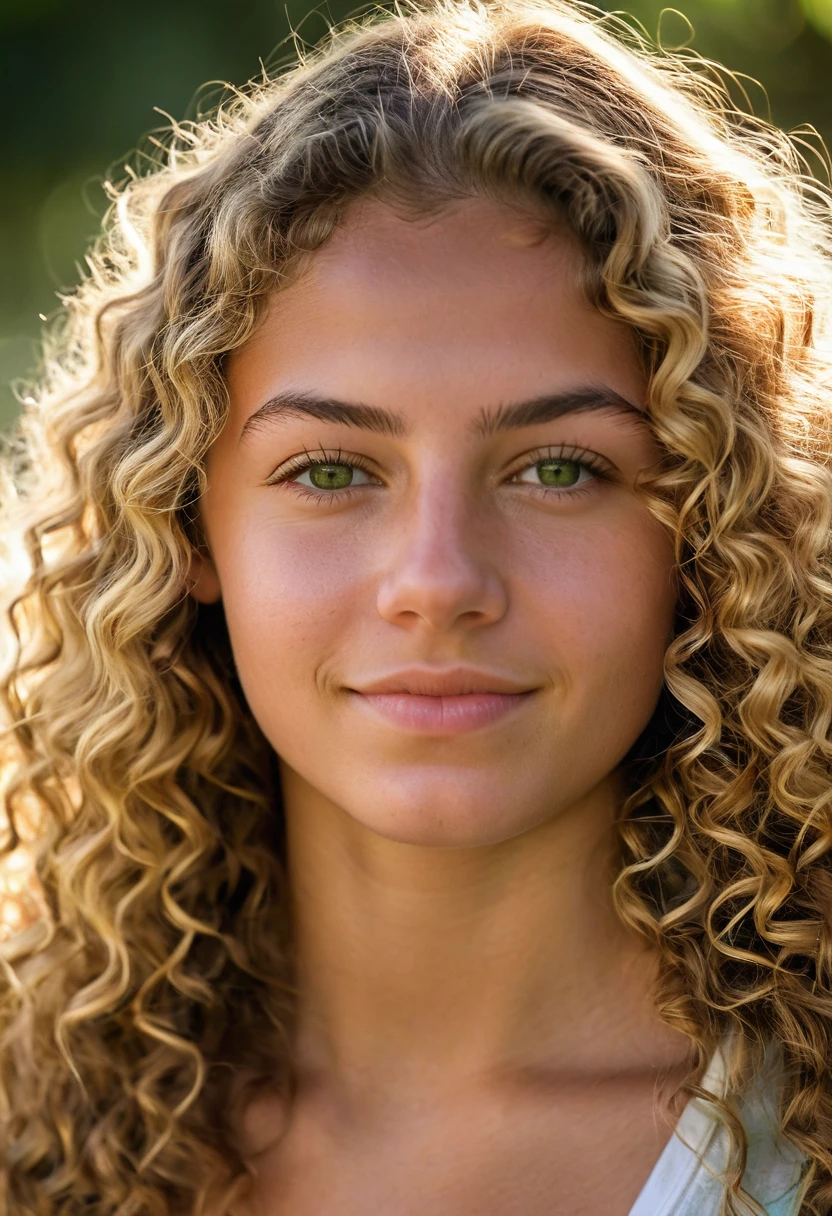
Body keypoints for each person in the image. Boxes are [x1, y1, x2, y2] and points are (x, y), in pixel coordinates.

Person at [0, 0, 830, 1211]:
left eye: (560, 469)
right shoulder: (34, 1134)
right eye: (331, 472)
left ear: (713, 521)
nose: (437, 581)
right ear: (185, 524)